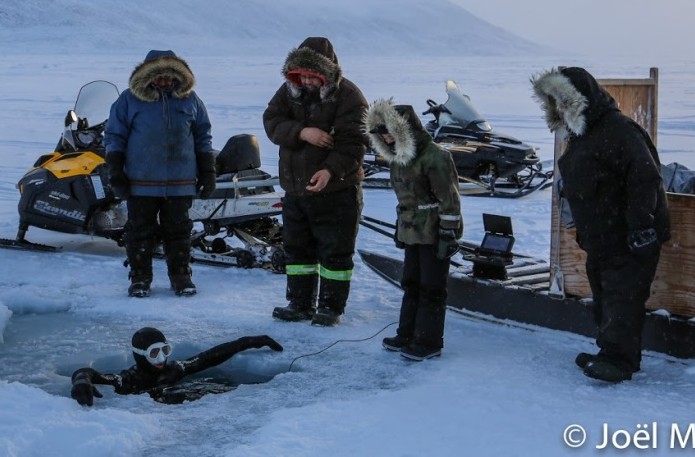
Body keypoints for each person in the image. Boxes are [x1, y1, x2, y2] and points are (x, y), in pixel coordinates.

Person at [531, 66, 671, 382]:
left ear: (581, 99)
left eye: (564, 101)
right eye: (555, 103)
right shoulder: (581, 135)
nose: (560, 108)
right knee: (605, 297)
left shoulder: (620, 130)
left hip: (630, 236)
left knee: (623, 299)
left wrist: (641, 227)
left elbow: (644, 178)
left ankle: (620, 361)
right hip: (602, 236)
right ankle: (608, 351)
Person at [263, 36, 368, 326]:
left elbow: (355, 143)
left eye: (313, 75)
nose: (307, 80)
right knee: (298, 251)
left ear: (327, 72)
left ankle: (330, 308)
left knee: (335, 253)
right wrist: (301, 132)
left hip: (337, 191)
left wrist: (330, 171)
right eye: (302, 74)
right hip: (296, 190)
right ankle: (299, 303)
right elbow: (271, 121)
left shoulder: (349, 96)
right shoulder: (288, 93)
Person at [104, 50, 216, 298]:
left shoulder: (191, 100)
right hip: (140, 181)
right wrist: (115, 172)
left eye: (169, 78)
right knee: (139, 231)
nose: (164, 82)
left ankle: (181, 277)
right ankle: (140, 279)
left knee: (178, 231)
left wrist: (208, 172)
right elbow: (114, 137)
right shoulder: (128, 100)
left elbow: (203, 136)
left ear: (178, 77)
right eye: (159, 78)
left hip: (180, 181)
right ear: (147, 77)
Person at [364, 99, 463, 361]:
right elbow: (406, 200)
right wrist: (401, 229)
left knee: (431, 287)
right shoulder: (397, 157)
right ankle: (407, 333)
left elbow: (449, 200)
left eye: (388, 130)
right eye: (381, 133)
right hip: (412, 232)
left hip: (433, 231)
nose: (385, 137)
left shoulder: (435, 157)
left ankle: (429, 341)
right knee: (411, 283)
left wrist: (448, 233)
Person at [70, 327, 283, 406]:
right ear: (141, 356)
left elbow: (209, 357)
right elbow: (90, 373)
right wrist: (81, 380)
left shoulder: (174, 369)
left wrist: (246, 342)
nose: (161, 358)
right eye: (154, 353)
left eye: (165, 349)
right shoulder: (128, 380)